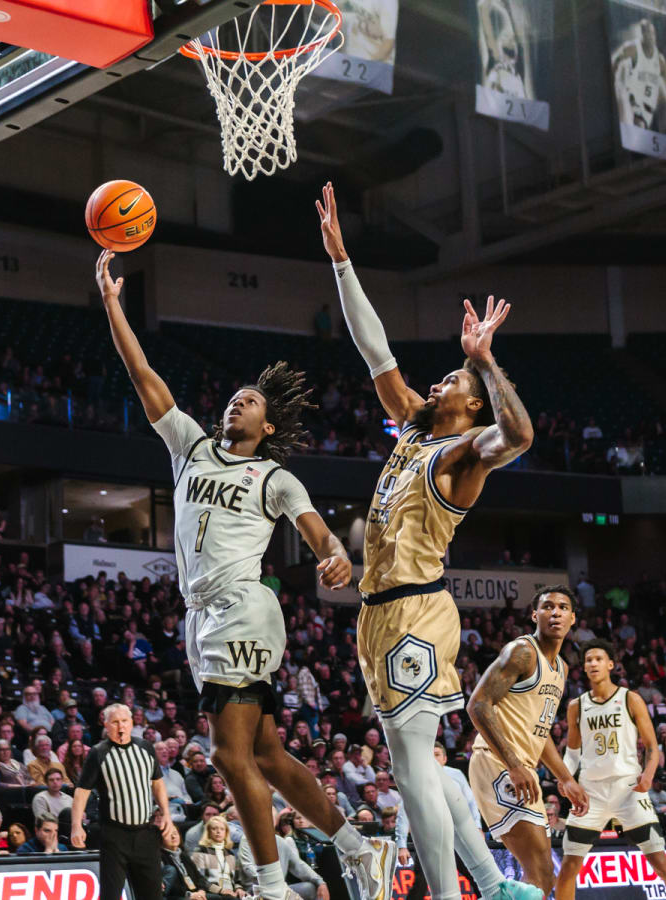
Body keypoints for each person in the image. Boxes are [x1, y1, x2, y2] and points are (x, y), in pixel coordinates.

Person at [96, 249, 393, 900]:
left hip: (242, 609)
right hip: (202, 616)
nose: (238, 403)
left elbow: (314, 527)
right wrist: (114, 303)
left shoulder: (275, 477)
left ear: (269, 423)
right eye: (234, 397)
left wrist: (332, 554)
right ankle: (357, 846)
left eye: (250, 401)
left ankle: (272, 886)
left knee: (228, 755)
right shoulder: (192, 448)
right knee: (264, 754)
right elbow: (143, 374)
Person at [318, 181, 539, 900]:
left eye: (453, 378)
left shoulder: (463, 453)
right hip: (379, 612)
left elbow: (522, 435)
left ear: (470, 402)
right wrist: (343, 262)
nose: (439, 380)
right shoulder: (417, 426)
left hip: (416, 609)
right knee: (421, 764)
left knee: (411, 761)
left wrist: (484, 359)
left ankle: (449, 896)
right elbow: (374, 351)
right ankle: (489, 883)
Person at [467, 587, 588, 897]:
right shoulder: (522, 651)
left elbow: (540, 730)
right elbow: (478, 705)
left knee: (543, 873)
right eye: (548, 606)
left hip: (521, 768)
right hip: (499, 763)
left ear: (573, 618)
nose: (556, 612)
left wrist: (565, 778)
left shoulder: (561, 668)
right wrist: (515, 765)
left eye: (563, 607)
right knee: (538, 869)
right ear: (535, 615)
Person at [554, 639, 666, 900]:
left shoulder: (631, 699)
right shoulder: (576, 706)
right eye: (588, 660)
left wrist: (648, 776)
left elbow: (652, 747)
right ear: (583, 668)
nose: (593, 663)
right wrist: (565, 778)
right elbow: (572, 753)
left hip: (628, 788)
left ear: (610, 664)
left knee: (660, 863)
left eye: (598, 659)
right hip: (590, 793)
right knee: (569, 867)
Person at [70, 704, 177, 900]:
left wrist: (167, 816)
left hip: (146, 834)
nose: (121, 727)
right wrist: (76, 825)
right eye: (115, 722)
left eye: (125, 721)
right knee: (110, 895)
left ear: (132, 723)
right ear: (106, 724)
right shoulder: (98, 752)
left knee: (153, 895)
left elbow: (158, 784)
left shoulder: (145, 747)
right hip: (114, 835)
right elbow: (81, 791)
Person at [610, 18, 666, 133]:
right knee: (638, 126)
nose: (650, 36)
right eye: (646, 32)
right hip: (632, 99)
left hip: (648, 105)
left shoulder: (659, 59)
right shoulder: (633, 49)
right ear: (642, 34)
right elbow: (615, 60)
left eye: (652, 33)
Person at [238, 827, 329, 900]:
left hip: (280, 888)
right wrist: (273, 881)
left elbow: (299, 865)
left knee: (310, 888)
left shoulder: (280, 841)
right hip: (256, 888)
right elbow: (248, 867)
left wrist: (320, 882)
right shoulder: (247, 839)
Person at [192, 815, 250, 898]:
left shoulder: (231, 854)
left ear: (226, 832)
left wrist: (239, 889)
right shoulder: (201, 851)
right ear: (208, 831)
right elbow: (199, 879)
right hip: (212, 893)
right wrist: (220, 890)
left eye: (222, 829)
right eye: (214, 828)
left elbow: (237, 880)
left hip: (231, 893)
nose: (218, 831)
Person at [162, 822, 214, 900]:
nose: (173, 837)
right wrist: (189, 895)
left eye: (175, 833)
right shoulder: (161, 857)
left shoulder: (184, 855)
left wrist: (201, 891)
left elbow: (199, 876)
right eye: (169, 835)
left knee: (219, 898)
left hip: (195, 892)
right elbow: (170, 887)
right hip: (178, 896)